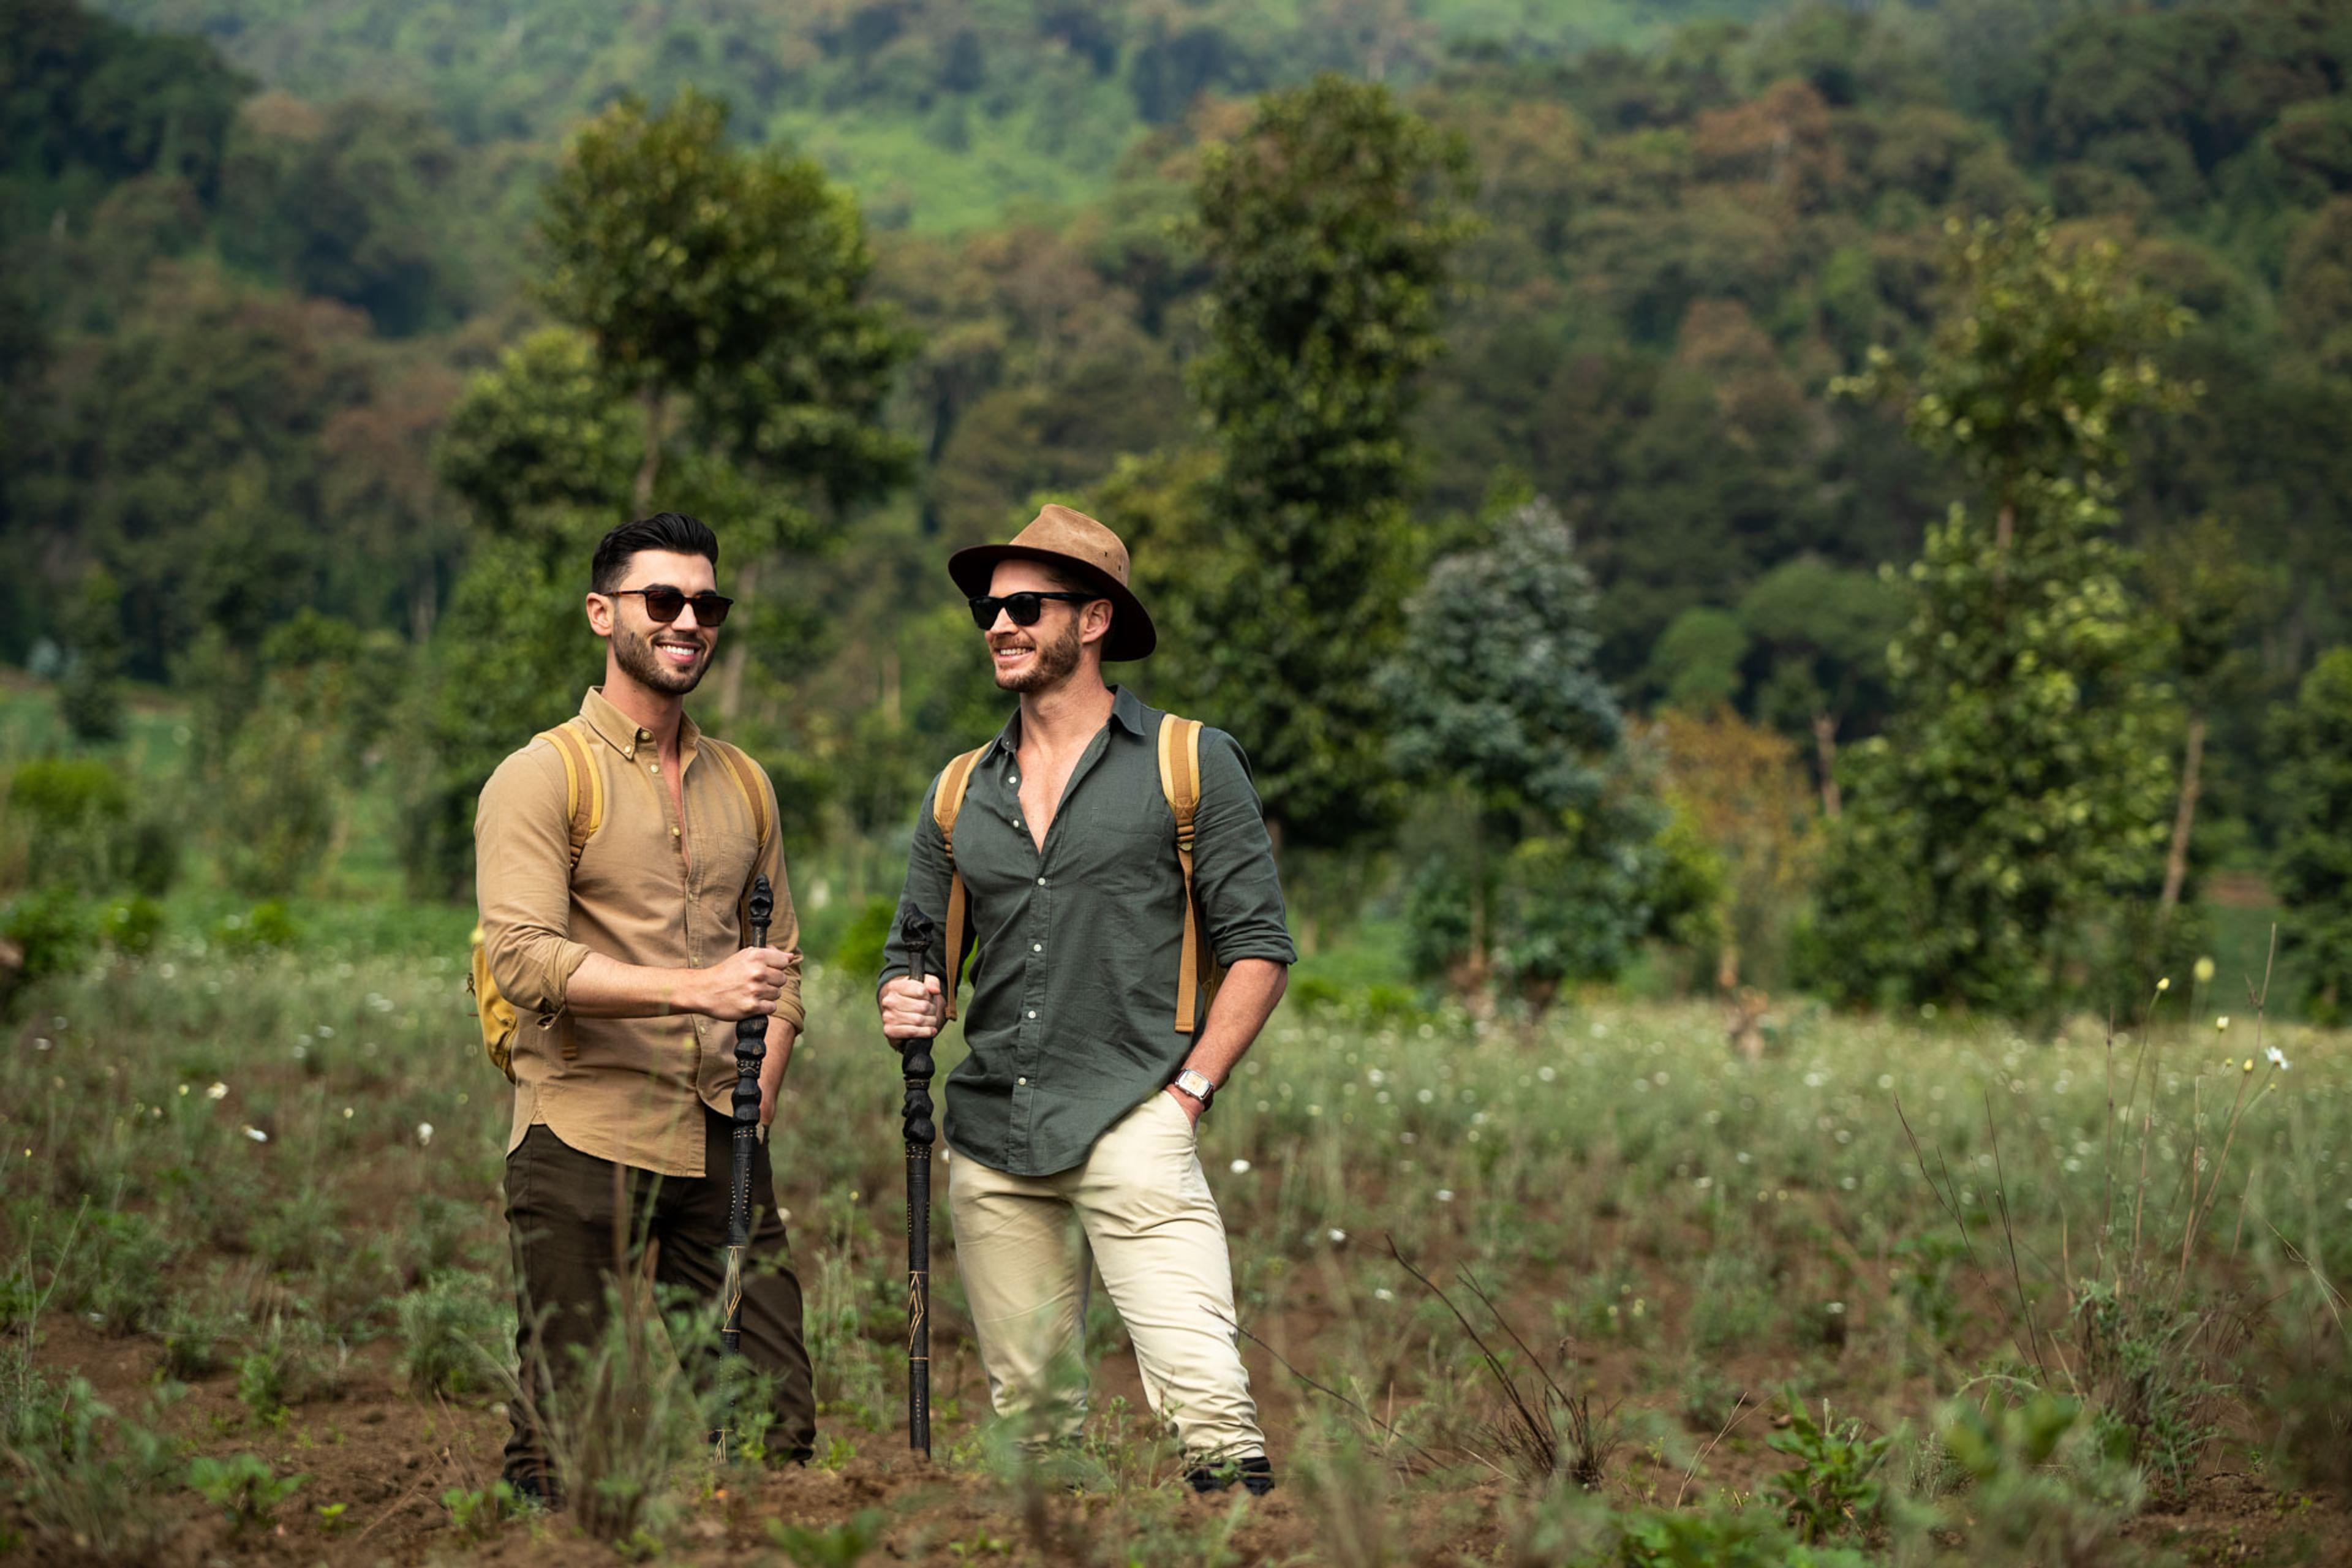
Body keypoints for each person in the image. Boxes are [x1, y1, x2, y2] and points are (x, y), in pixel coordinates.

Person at [876, 504, 1295, 1494]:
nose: (998, 626)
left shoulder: (1189, 761)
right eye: (988, 608)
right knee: (1037, 1433)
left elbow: (1260, 950)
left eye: (1025, 605)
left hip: (1134, 1114)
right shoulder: (958, 790)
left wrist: (1187, 1096)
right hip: (993, 1135)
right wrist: (905, 994)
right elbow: (913, 951)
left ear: (1095, 619)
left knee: (1211, 1413)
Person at [475, 511, 815, 1500]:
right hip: (581, 1132)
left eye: (706, 605)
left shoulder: (745, 783)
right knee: (563, 1424)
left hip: (719, 1135)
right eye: (662, 601)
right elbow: (524, 963)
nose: (688, 622)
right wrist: (696, 991)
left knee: (772, 1419)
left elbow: (780, 963)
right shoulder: (542, 776)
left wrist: (757, 1112)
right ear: (602, 613)